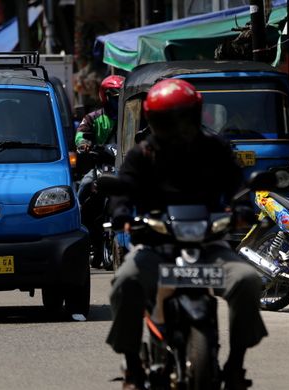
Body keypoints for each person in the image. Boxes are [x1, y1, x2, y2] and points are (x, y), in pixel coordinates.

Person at [105, 79, 267, 390]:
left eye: (183, 119)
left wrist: (244, 208)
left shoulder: (215, 149)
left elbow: (238, 185)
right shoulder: (142, 154)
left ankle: (236, 362)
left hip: (208, 244)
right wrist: (122, 214)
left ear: (195, 116)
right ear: (154, 122)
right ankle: (132, 365)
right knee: (125, 283)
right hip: (156, 244)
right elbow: (123, 188)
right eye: (169, 121)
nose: (178, 129)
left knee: (246, 280)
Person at [75, 75, 125, 268]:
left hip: (123, 165)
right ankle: (78, 224)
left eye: (120, 96)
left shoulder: (132, 114)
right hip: (100, 166)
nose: (117, 99)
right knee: (86, 186)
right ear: (105, 96)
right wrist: (84, 144)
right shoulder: (93, 117)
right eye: (114, 96)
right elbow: (81, 135)